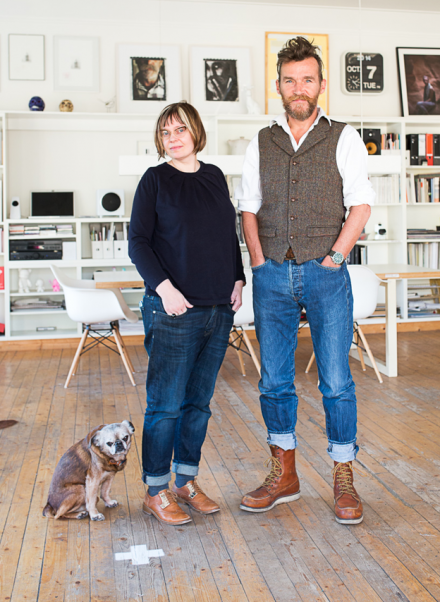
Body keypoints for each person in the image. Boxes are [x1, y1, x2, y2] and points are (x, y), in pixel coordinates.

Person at [237, 37, 374, 524]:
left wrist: (335, 258)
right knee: (274, 381)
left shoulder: (344, 137)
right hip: (271, 274)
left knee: (335, 381)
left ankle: (344, 478)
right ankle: (285, 475)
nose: (299, 88)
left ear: (321, 84)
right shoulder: (261, 141)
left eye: (307, 79)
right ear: (278, 86)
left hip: (325, 274)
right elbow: (248, 208)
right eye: (290, 80)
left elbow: (360, 204)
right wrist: (258, 262)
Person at [129, 101, 245, 526]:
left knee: (198, 404)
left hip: (218, 309)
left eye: (180, 129)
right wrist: (165, 289)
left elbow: (228, 235)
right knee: (166, 405)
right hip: (173, 310)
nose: (173, 137)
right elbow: (138, 242)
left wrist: (238, 278)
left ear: (196, 131)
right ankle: (155, 490)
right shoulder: (155, 180)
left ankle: (185, 482)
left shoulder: (214, 176)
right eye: (165, 132)